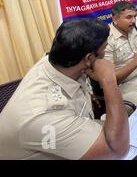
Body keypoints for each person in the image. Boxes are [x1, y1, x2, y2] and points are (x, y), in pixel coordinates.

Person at [0, 19, 129, 159]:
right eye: (104, 49)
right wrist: (109, 80)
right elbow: (117, 150)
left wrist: (88, 95)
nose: (105, 56)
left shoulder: (59, 62)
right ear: (89, 58)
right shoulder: (46, 115)